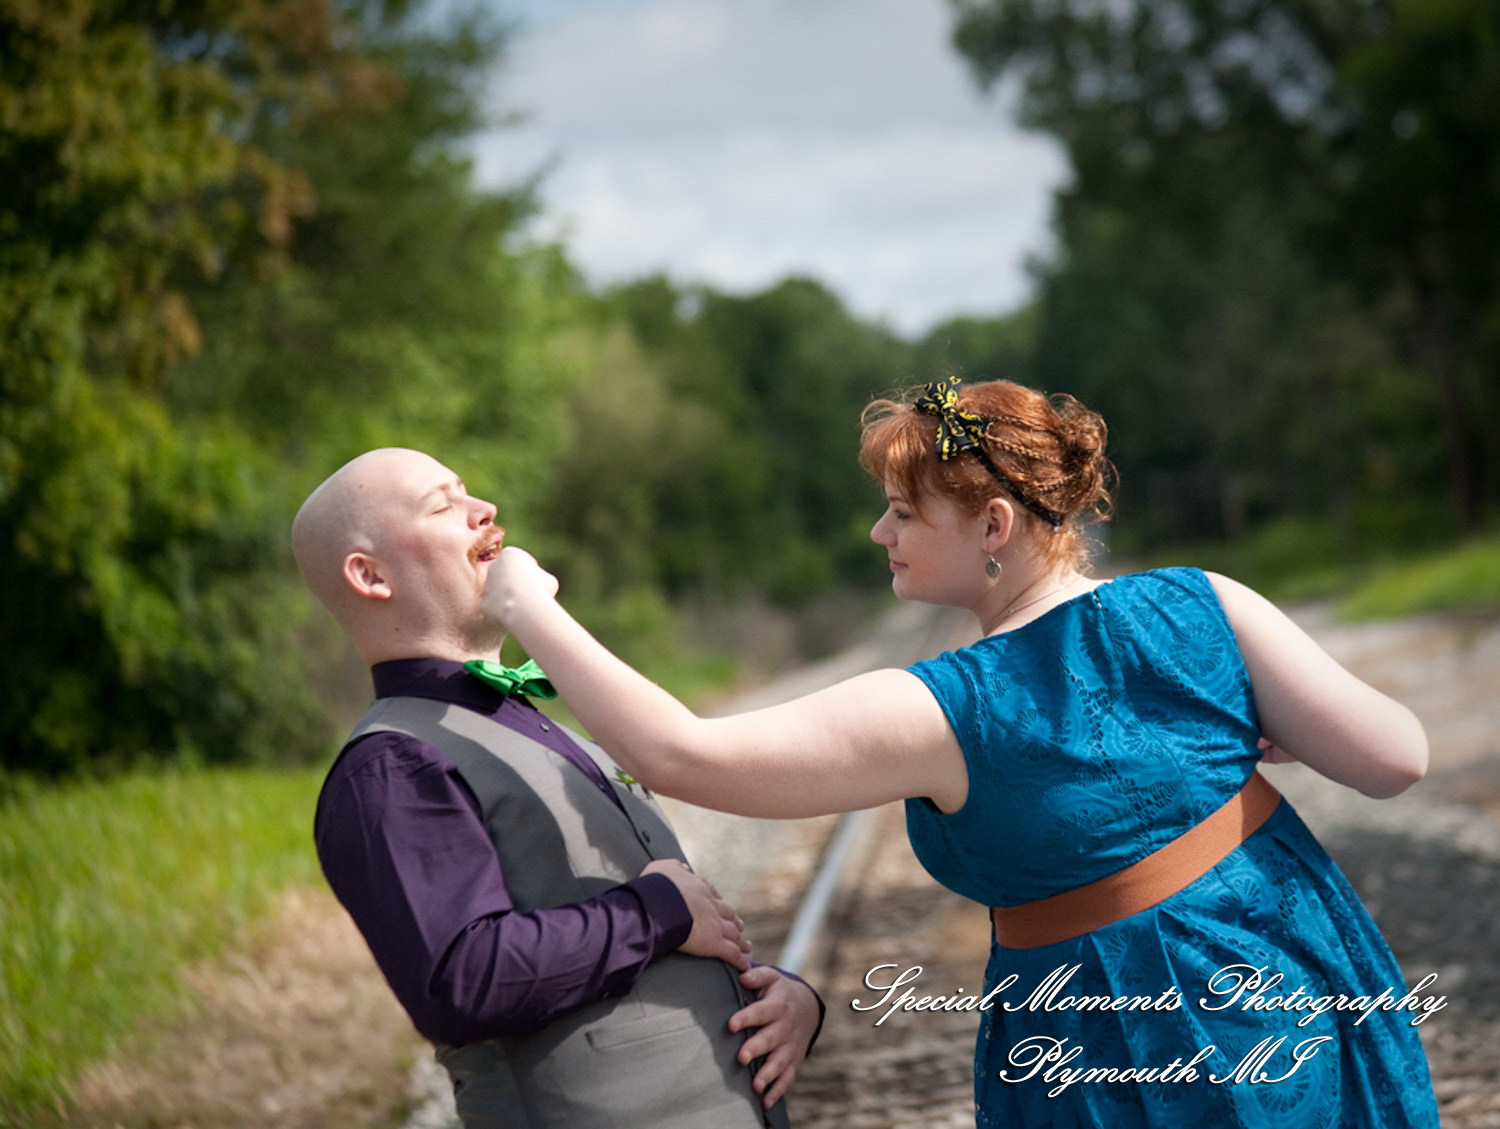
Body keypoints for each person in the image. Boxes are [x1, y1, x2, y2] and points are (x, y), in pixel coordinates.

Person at [479, 378, 1442, 1127]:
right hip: (1299, 968)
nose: (878, 531)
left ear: (994, 525)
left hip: (1119, 1032)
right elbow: (1396, 757)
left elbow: (681, 754)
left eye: (903, 510)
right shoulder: (1204, 600)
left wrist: (528, 607)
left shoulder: (944, 707)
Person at [290, 447, 822, 1129]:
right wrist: (655, 910)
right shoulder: (391, 764)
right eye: (440, 503)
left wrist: (787, 998)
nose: (484, 510)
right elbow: (463, 977)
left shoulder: (531, 724)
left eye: (468, 491)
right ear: (370, 575)